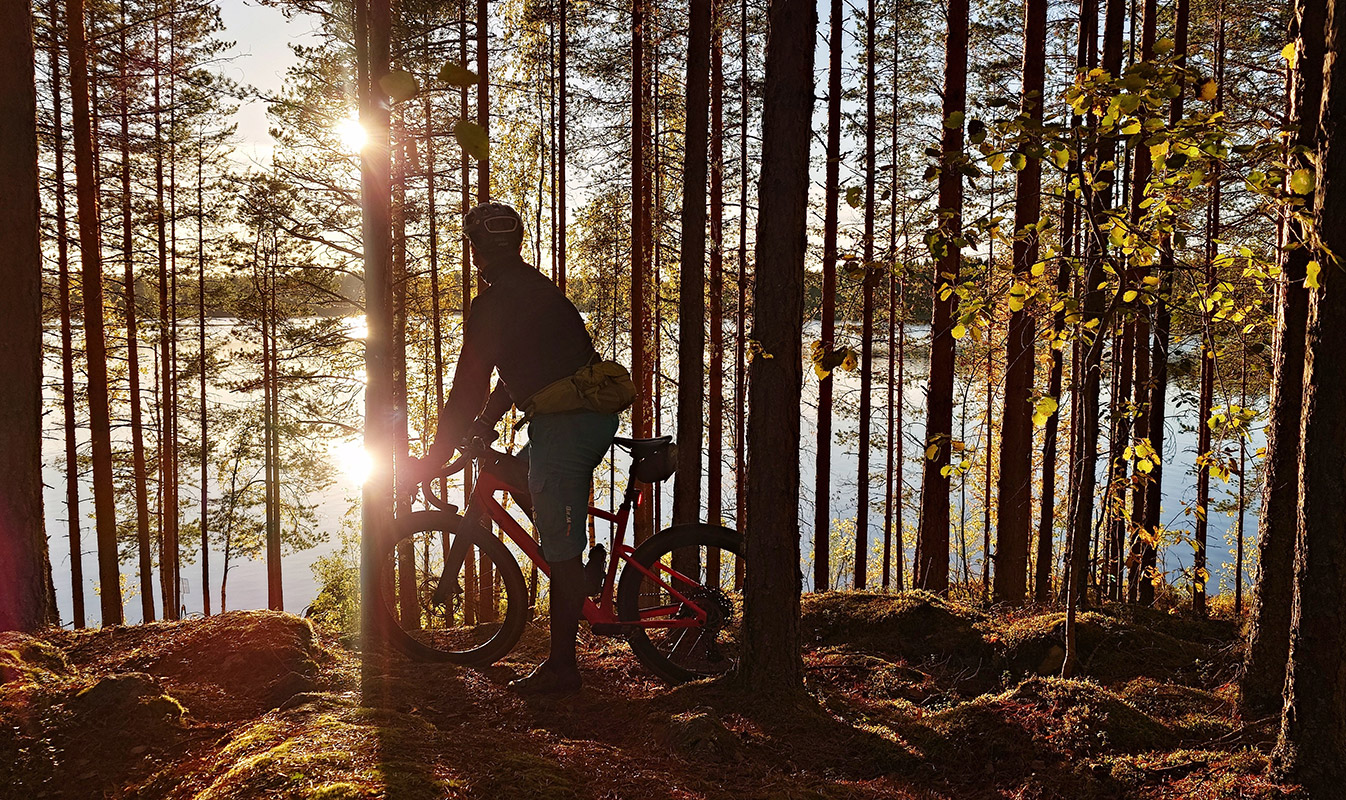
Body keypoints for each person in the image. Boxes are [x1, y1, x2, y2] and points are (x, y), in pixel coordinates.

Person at [406, 202, 619, 696]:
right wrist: (487, 420)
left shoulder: (496, 301)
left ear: (478, 248)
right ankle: (580, 575)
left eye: (473, 243)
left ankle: (563, 668)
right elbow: (524, 370)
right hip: (573, 418)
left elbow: (468, 383)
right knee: (522, 477)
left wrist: (435, 458)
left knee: (558, 544)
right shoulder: (536, 288)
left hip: (567, 426)